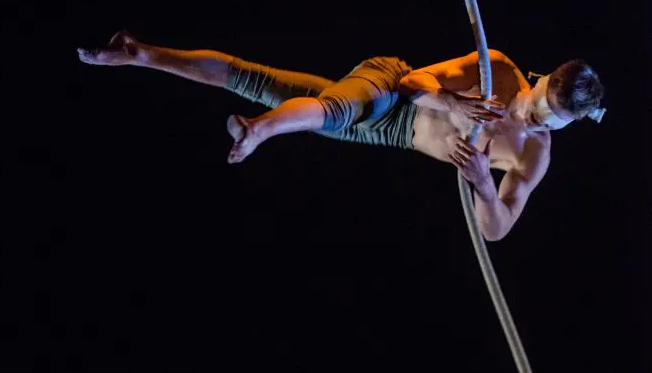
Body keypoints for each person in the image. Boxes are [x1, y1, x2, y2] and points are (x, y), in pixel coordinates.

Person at [78, 31, 605, 242]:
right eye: (536, 105)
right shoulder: (498, 69)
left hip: (390, 135)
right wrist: (451, 101)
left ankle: (141, 54)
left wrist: (484, 187)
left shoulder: (533, 155)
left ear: (566, 125)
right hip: (390, 87)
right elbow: (413, 83)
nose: (531, 118)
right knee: (335, 111)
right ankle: (258, 129)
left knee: (259, 81)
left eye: (548, 120)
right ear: (540, 80)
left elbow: (497, 228)